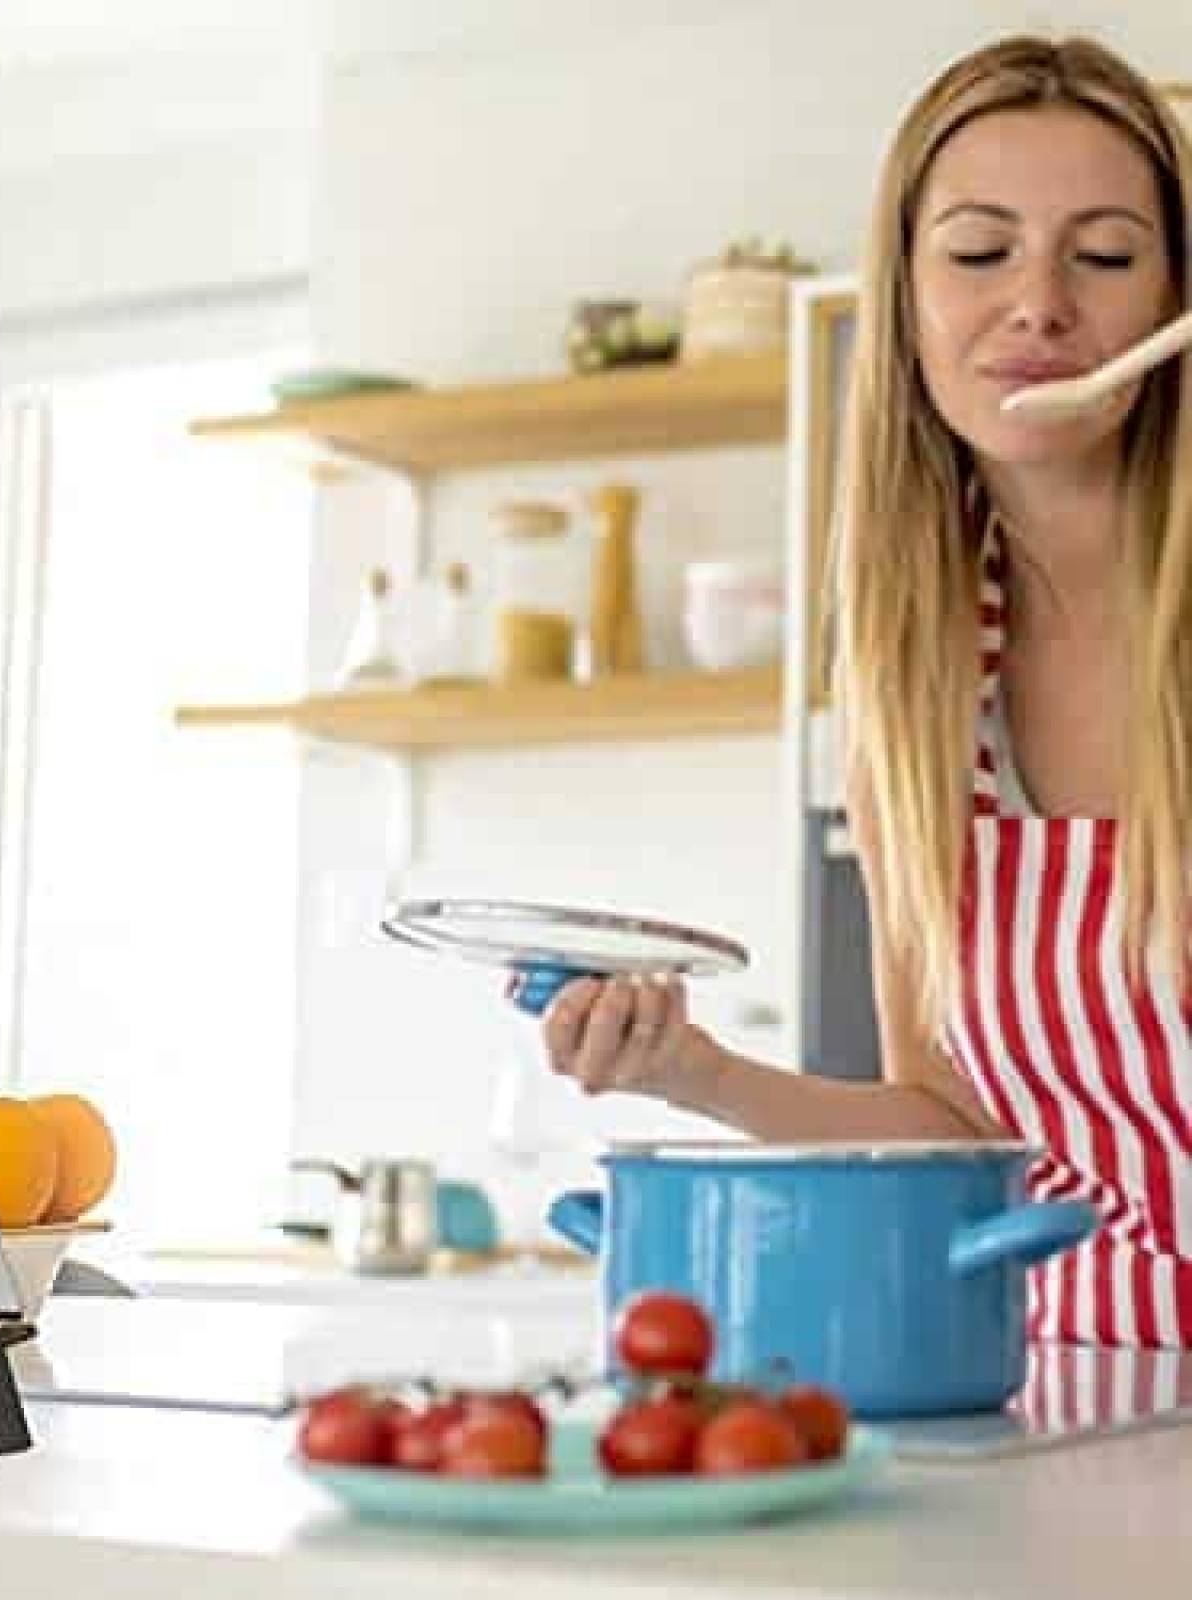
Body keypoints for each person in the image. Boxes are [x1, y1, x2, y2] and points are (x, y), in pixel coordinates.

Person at [534, 35, 1192, 1348]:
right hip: (1081, 1397)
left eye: (1107, 255)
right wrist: (694, 1072)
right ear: (903, 300)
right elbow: (950, 1126)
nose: (1041, 304)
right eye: (978, 251)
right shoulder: (927, 681)